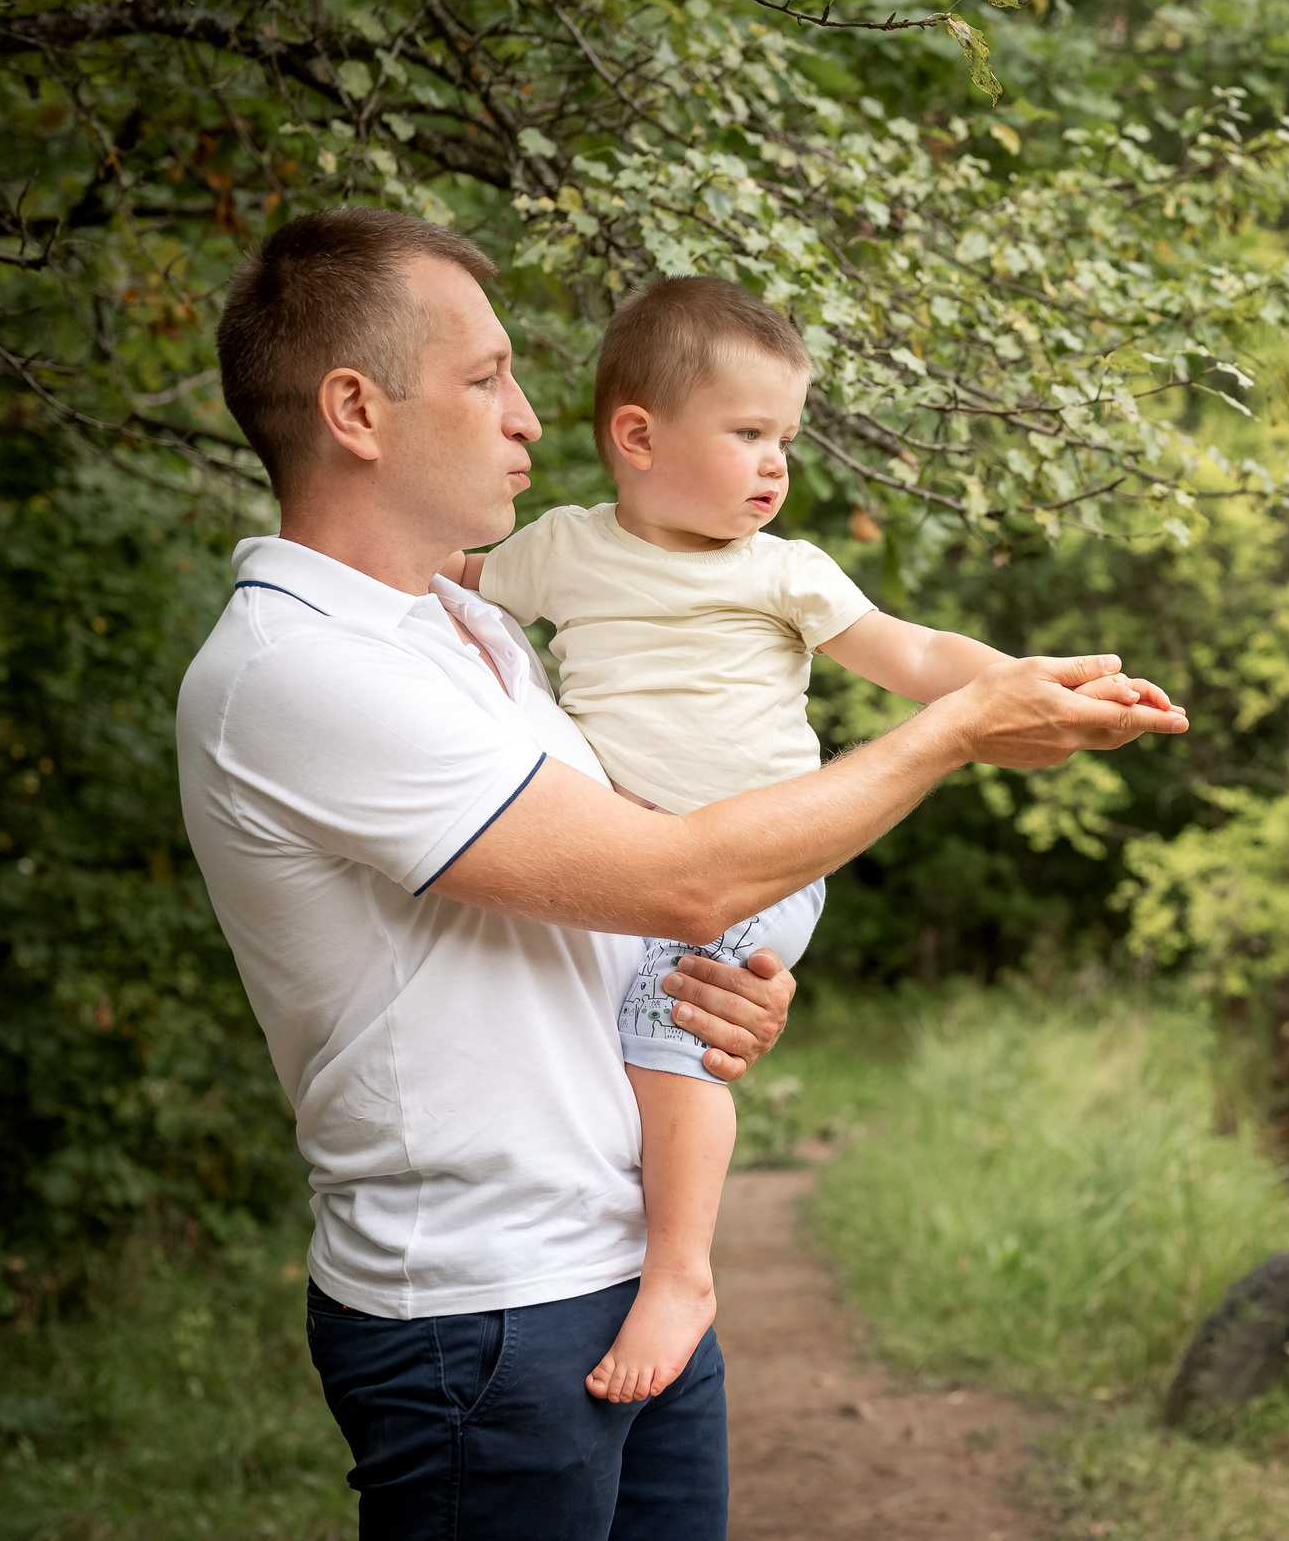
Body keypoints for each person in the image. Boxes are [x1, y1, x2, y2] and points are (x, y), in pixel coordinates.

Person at [176, 207, 1187, 1541]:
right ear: (356, 409)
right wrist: (952, 735)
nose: (533, 416)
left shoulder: (468, 628)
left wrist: (724, 993)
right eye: (486, 379)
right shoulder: (303, 670)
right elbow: (675, 874)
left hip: (617, 1255)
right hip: (485, 1316)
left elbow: (605, 897)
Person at [442, 274, 1178, 1405]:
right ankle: (610, 1243)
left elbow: (920, 658)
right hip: (632, 864)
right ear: (637, 437)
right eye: (749, 433)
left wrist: (1043, 684)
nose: (779, 463)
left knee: (663, 1027)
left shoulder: (783, 570)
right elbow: (458, 580)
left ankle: (681, 1269)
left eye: (784, 436)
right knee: (597, 1024)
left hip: (762, 857)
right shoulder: (566, 551)